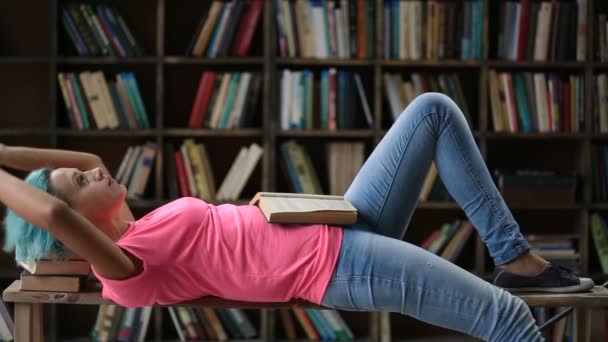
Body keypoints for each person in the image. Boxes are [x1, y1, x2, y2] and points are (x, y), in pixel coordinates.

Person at [0, 93, 593, 341]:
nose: (93, 169)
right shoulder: (125, 269)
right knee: (509, 322)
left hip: (341, 221)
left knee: (431, 111)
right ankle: (515, 279)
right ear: (76, 224)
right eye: (82, 182)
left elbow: (80, 165)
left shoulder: (135, 224)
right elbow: (50, 209)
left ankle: (515, 257)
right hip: (336, 265)